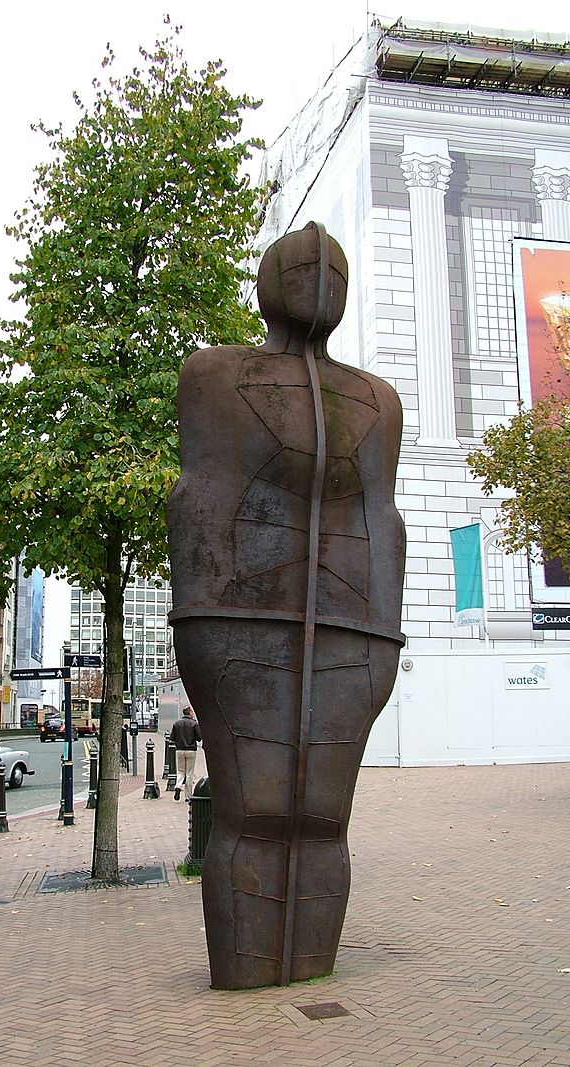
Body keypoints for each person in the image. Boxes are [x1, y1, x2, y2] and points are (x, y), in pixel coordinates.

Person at [167, 222, 405, 990]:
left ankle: (303, 966)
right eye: (305, 268)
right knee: (256, 813)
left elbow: (382, 522)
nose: (321, 270)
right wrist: (201, 623)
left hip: (346, 632)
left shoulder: (378, 402)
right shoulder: (214, 376)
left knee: (323, 819)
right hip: (243, 629)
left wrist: (382, 643)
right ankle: (249, 971)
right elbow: (200, 502)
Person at [169, 706, 202, 801]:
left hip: (179, 750)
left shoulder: (177, 723)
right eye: (192, 712)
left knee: (180, 771)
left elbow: (172, 738)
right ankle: (188, 796)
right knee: (189, 773)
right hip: (191, 750)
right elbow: (199, 738)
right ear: (190, 713)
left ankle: (178, 786)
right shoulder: (194, 724)